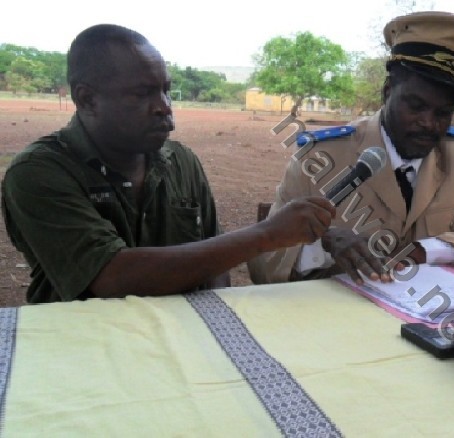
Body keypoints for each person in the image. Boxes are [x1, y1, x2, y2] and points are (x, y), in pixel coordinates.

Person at [0, 24, 335, 304]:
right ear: (86, 99)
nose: (163, 106)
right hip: (89, 352)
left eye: (165, 90)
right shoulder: (39, 173)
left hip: (182, 346)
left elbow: (214, 261)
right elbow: (112, 277)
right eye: (142, 93)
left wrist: (214, 323)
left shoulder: (181, 162)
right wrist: (266, 234)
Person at [248, 11, 454, 285]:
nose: (429, 123)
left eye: (443, 113)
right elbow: (264, 265)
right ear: (387, 92)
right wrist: (323, 244)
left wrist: (427, 250)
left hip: (432, 320)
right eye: (416, 106)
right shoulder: (321, 157)